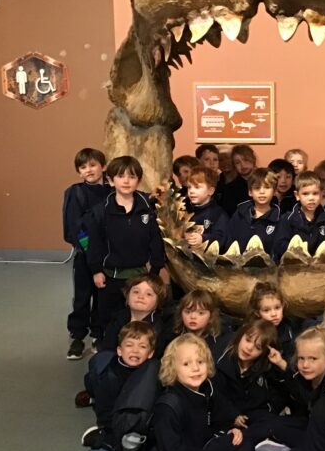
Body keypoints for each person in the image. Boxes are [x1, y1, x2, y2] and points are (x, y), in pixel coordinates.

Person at [144, 335, 254, 451]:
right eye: (186, 364)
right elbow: (171, 450)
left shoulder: (208, 389)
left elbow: (221, 419)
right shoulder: (168, 405)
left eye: (200, 362)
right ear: (173, 368)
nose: (195, 368)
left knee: (244, 441)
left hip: (205, 449)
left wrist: (232, 429)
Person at [85, 155, 166, 332]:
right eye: (121, 176)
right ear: (111, 181)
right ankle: (106, 345)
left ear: (139, 180)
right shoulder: (101, 211)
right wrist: (96, 270)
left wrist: (155, 269)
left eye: (132, 176)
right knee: (109, 315)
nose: (126, 181)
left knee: (138, 315)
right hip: (111, 275)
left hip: (140, 274)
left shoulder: (148, 207)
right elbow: (95, 244)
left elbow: (156, 239)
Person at [255, 326, 325, 451]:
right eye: (301, 358)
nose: (305, 364)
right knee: (274, 425)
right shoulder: (306, 378)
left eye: (313, 359)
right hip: (310, 425)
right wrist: (280, 363)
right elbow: (298, 388)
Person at [62, 147, 110, 359]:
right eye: (83, 167)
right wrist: (90, 251)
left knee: (103, 296)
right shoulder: (75, 193)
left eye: (92, 165)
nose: (88, 170)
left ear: (103, 166)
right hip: (86, 254)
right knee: (82, 296)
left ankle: (98, 333)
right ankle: (78, 337)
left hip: (108, 255)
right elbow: (74, 226)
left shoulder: (112, 192)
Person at [80, 321, 155, 451]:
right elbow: (104, 411)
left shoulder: (151, 373)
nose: (135, 351)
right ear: (120, 351)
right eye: (129, 345)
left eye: (142, 347)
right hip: (117, 420)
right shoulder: (111, 376)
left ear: (150, 353)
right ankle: (102, 438)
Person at [214, 320, 287, 446]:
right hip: (228, 413)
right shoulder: (223, 360)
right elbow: (216, 395)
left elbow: (282, 392)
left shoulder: (266, 365)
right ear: (241, 336)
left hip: (254, 415)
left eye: (257, 347)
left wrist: (281, 364)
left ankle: (252, 442)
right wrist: (233, 415)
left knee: (276, 424)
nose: (249, 348)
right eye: (247, 340)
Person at [272, 171, 325, 262]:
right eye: (305, 194)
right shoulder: (287, 219)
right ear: (297, 195)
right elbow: (279, 245)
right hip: (294, 267)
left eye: (315, 193)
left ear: (321, 194)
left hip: (321, 267)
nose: (311, 198)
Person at [227, 168, 281, 255]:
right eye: (257, 188)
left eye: (267, 187)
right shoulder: (240, 213)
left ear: (274, 191)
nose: (262, 192)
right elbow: (229, 241)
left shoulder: (279, 219)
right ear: (250, 192)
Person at [167, 288, 231, 360]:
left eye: (201, 313)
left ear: (211, 317)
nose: (193, 317)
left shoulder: (219, 342)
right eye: (188, 312)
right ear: (181, 314)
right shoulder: (172, 338)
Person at [248, 281, 300, 362]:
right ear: (257, 313)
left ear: (283, 306)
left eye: (277, 307)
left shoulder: (289, 331)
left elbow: (291, 362)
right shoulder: (251, 332)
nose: (274, 314)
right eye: (266, 310)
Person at [184, 166, 229, 252]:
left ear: (210, 191)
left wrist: (203, 239)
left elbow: (221, 237)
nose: (191, 191)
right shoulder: (186, 210)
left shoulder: (218, 214)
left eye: (197, 187)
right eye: (189, 187)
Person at [220, 144, 256, 215]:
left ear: (253, 160)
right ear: (234, 165)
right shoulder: (230, 189)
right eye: (237, 162)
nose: (242, 165)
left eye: (246, 160)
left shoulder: (264, 181)